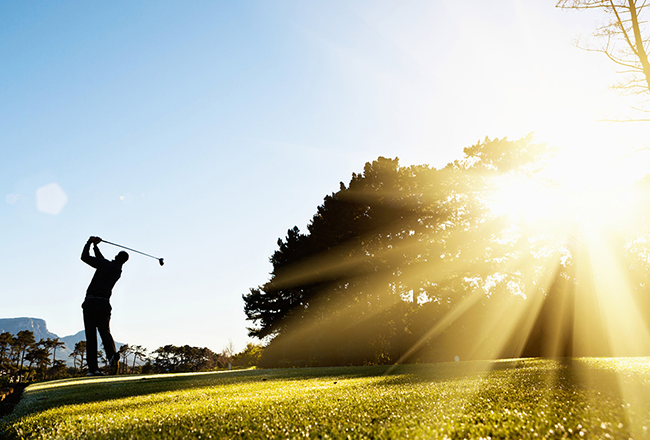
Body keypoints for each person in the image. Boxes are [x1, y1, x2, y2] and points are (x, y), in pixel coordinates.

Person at [81, 236, 129, 376]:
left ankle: (93, 369)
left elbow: (84, 257)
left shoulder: (105, 265)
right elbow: (101, 260)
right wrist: (96, 247)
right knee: (105, 331)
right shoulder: (117, 270)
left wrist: (89, 243)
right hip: (104, 303)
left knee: (91, 335)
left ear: (115, 257)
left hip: (91, 302)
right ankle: (112, 356)